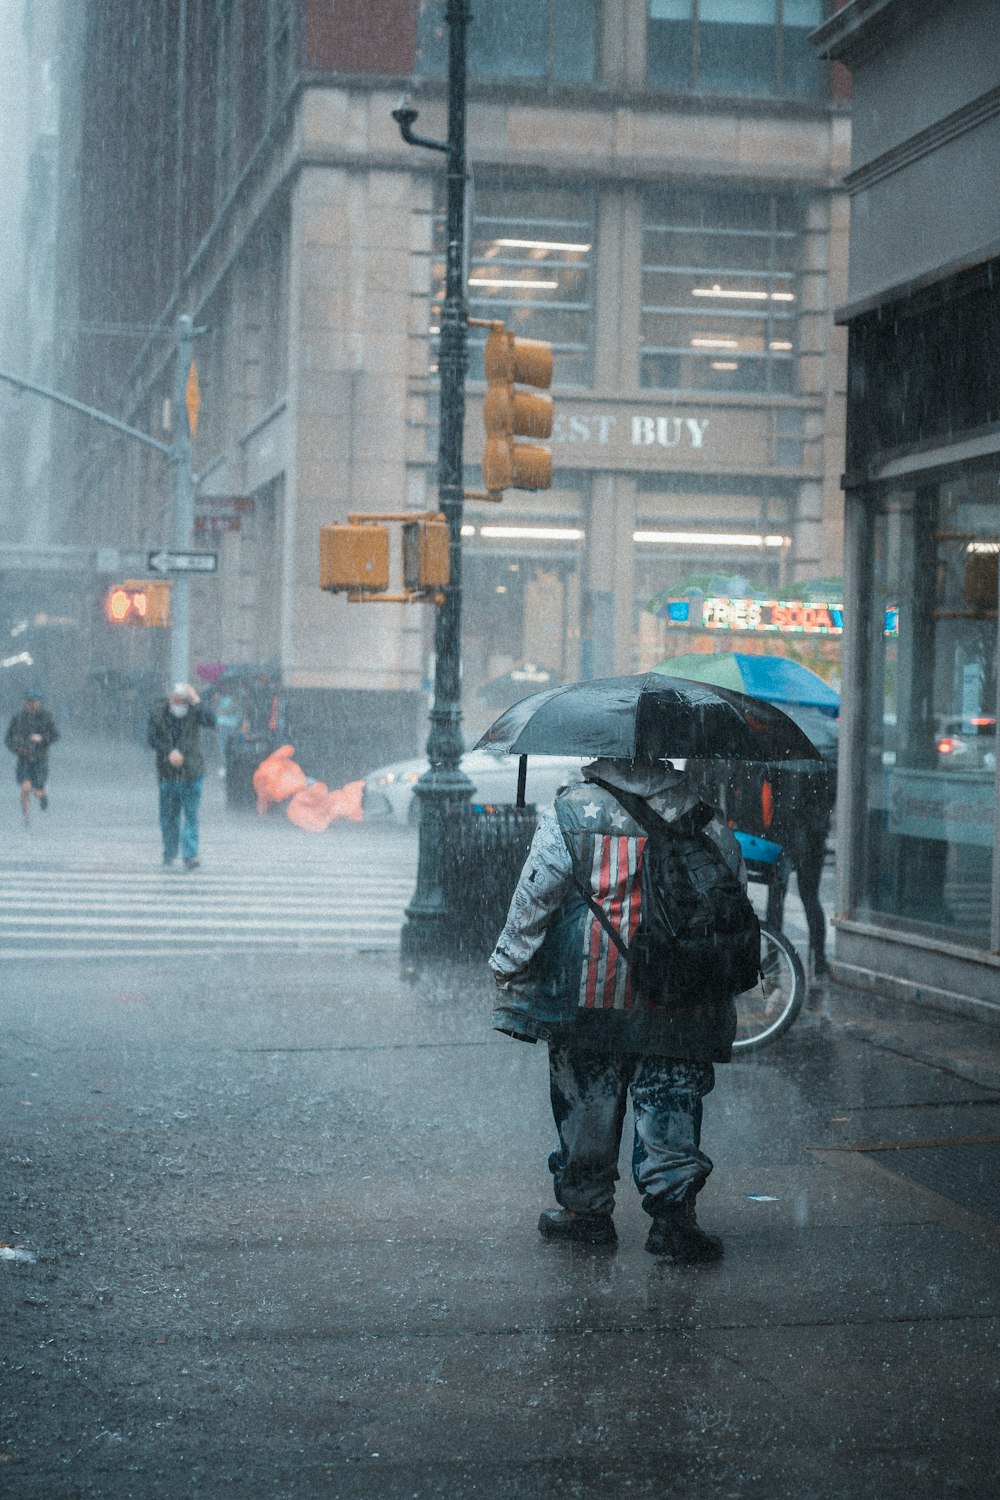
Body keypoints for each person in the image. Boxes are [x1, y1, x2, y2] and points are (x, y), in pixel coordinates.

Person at [489, 756, 748, 1263]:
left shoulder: (573, 811)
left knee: (587, 1101)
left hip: (592, 988)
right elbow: (731, 893)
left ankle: (586, 1214)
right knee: (670, 1101)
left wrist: (508, 964)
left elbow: (535, 896)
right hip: (683, 992)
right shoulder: (704, 816)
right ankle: (674, 1220)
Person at [147, 682, 216, 869]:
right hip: (168, 774)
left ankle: (190, 855)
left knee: (191, 815)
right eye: (177, 701)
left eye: (184, 702)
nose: (180, 706)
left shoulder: (194, 712)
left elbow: (211, 721)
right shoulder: (158, 714)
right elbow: (151, 738)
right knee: (169, 816)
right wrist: (169, 751)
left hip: (192, 772)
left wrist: (197, 701)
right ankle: (169, 852)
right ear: (170, 699)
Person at [5, 688, 59, 824]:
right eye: (29, 701)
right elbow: (8, 739)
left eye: (34, 701)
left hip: (40, 760)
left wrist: (41, 738)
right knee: (25, 788)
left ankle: (42, 795)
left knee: (37, 790)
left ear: (39, 702)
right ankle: (26, 817)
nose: (31, 704)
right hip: (24, 760)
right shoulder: (18, 718)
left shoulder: (46, 717)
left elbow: (55, 735)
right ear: (24, 702)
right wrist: (16, 748)